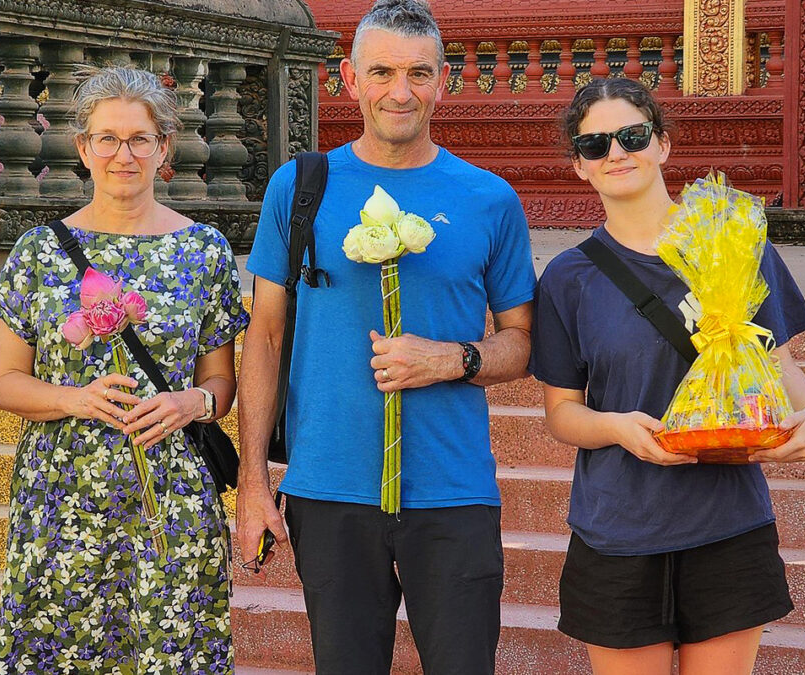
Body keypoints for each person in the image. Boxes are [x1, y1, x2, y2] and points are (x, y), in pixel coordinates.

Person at [237, 1, 536, 672]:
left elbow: (522, 341)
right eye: (381, 72)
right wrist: (254, 480)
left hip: (451, 492)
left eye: (418, 73)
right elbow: (264, 334)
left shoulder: (488, 198)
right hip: (329, 488)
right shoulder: (301, 186)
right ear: (349, 78)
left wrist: (453, 358)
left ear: (443, 80)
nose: (400, 92)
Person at [530, 77, 805, 675]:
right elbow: (562, 413)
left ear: (662, 144)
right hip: (618, 531)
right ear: (579, 167)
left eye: (631, 135)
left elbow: (780, 367)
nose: (616, 153)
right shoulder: (567, 279)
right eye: (595, 145)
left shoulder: (733, 244)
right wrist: (615, 428)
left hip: (726, 524)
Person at [0, 66, 249, 674]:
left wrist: (193, 404)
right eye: (107, 138)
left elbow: (221, 383)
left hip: (171, 500)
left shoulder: (204, 250)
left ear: (164, 147)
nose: (122, 154)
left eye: (139, 139)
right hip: (63, 497)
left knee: (171, 653)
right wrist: (73, 399)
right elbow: (5, 382)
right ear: (83, 149)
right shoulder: (39, 251)